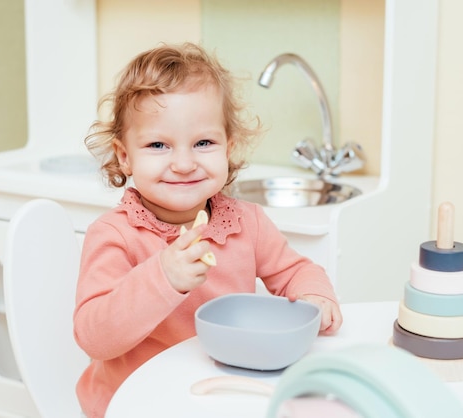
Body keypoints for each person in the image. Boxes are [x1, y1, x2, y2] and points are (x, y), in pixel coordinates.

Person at [73, 42, 343, 418]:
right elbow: (94, 336)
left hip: (216, 395)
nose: (183, 163)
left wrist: (315, 294)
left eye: (203, 142)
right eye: (157, 145)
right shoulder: (114, 235)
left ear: (228, 148)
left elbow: (296, 270)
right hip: (135, 403)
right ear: (124, 156)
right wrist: (163, 277)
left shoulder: (246, 222)